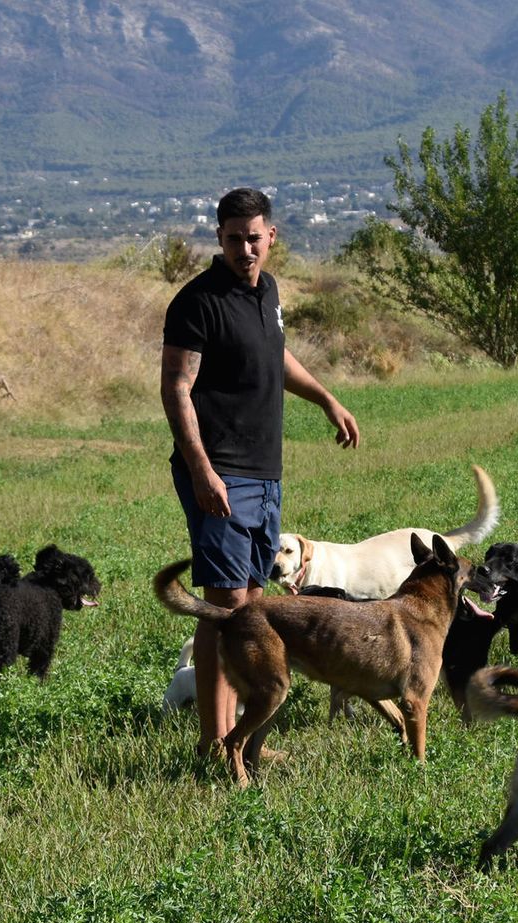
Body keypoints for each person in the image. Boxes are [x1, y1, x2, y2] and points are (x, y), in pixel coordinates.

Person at [160, 187, 361, 759]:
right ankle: (211, 744)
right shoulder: (197, 303)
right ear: (218, 239)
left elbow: (275, 355)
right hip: (220, 471)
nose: (245, 249)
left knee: (251, 609)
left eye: (254, 238)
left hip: (265, 473)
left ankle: (241, 741)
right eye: (233, 239)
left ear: (271, 236)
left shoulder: (267, 292)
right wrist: (202, 472)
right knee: (223, 608)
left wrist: (325, 398)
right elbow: (176, 390)